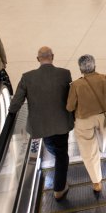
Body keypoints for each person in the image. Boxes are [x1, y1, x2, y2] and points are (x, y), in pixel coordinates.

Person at [9, 47, 74, 200]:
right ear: (52, 57)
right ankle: (59, 189)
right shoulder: (65, 74)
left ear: (38, 59)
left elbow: (16, 103)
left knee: (52, 145)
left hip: (40, 126)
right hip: (62, 124)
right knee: (62, 154)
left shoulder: (27, 77)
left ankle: (59, 182)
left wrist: (11, 113)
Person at [66, 54, 106, 196]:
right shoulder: (105, 78)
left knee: (89, 153)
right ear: (95, 65)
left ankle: (97, 182)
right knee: (102, 139)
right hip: (103, 118)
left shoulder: (75, 85)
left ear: (80, 69)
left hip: (84, 120)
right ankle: (102, 147)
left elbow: (70, 107)